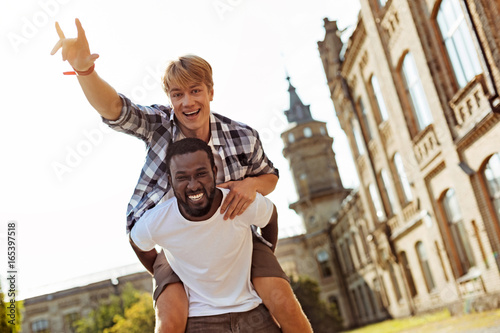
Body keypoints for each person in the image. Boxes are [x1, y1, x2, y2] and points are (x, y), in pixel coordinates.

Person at [51, 19, 312, 333]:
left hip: (234, 235)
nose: (187, 102)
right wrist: (84, 70)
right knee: (171, 320)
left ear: (210, 91)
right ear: (170, 99)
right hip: (177, 243)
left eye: (195, 91)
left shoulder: (241, 136)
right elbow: (116, 110)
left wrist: (251, 184)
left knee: (284, 302)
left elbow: (269, 177)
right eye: (177, 95)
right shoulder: (160, 125)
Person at [131, 138, 283, 332]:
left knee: (288, 308)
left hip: (250, 307)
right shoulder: (157, 221)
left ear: (214, 172)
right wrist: (165, 272)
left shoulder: (239, 202)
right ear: (171, 180)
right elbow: (137, 242)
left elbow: (270, 217)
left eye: (201, 174)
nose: (193, 185)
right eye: (182, 177)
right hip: (200, 316)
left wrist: (266, 254)